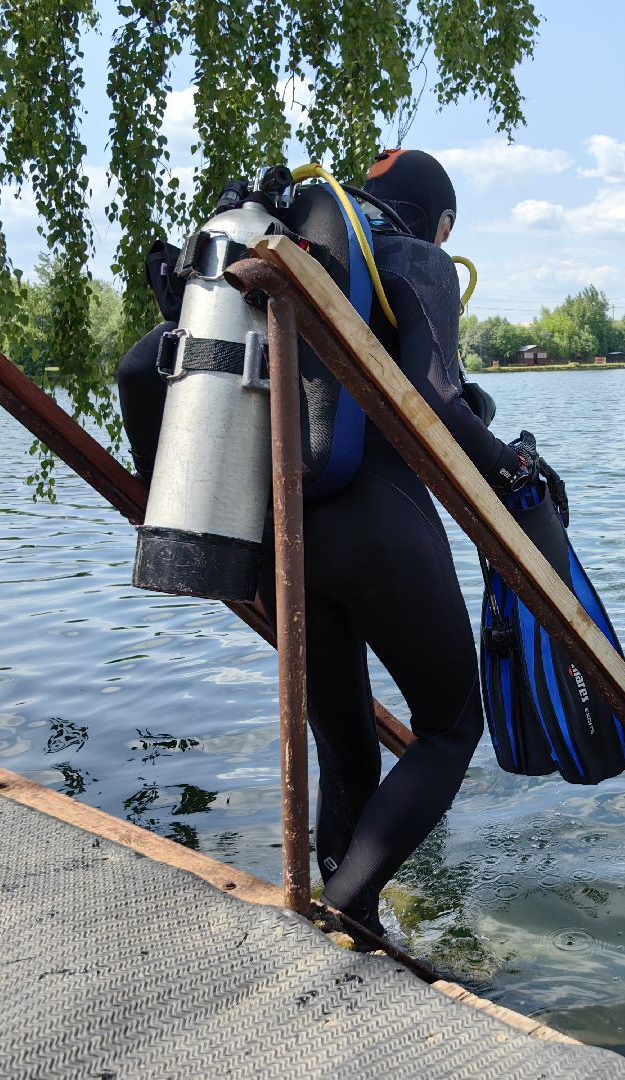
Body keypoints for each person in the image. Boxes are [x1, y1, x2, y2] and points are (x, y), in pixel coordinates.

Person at [116, 149, 528, 940]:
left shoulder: (286, 255)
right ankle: (351, 903)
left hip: (280, 534)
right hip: (379, 526)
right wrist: (514, 465)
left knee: (345, 745)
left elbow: (148, 370)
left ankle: (332, 914)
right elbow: (437, 402)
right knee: (449, 727)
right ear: (440, 222)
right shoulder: (416, 259)